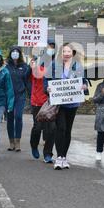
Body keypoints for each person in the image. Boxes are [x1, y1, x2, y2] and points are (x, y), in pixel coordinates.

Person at [44, 42, 89, 170]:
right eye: (64, 51)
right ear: (61, 53)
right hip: (59, 103)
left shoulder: (78, 66)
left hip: (73, 103)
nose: (67, 54)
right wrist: (47, 88)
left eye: (69, 51)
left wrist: (84, 86)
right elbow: (46, 80)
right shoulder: (55, 65)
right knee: (61, 128)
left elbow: (84, 81)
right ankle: (58, 157)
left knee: (68, 130)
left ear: (73, 53)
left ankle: (64, 157)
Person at [29, 40, 57, 163]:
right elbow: (32, 76)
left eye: (52, 47)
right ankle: (34, 146)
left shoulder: (57, 64)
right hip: (37, 100)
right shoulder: (36, 64)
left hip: (51, 102)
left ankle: (48, 154)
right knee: (37, 127)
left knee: (51, 128)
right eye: (48, 47)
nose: (50, 49)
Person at [6, 46, 31, 152]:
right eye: (13, 52)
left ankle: (18, 141)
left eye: (17, 52)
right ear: (10, 53)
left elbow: (27, 81)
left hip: (20, 96)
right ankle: (11, 141)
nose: (15, 53)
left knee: (18, 116)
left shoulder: (24, 67)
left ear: (20, 54)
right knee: (10, 118)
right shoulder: (6, 67)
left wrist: (30, 94)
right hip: (9, 96)